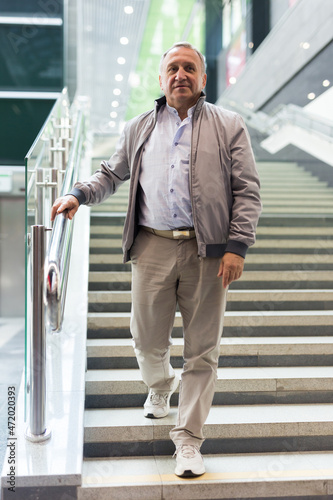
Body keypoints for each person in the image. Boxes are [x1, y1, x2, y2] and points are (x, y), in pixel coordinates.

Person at [51, 41, 262, 477]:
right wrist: (78, 194)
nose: (180, 74)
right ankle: (160, 385)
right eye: (172, 68)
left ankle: (188, 440)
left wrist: (237, 246)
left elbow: (247, 189)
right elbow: (111, 173)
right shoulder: (140, 127)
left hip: (209, 253)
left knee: (202, 352)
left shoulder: (229, 125)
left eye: (190, 68)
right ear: (161, 78)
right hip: (152, 247)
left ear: (203, 79)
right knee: (147, 341)